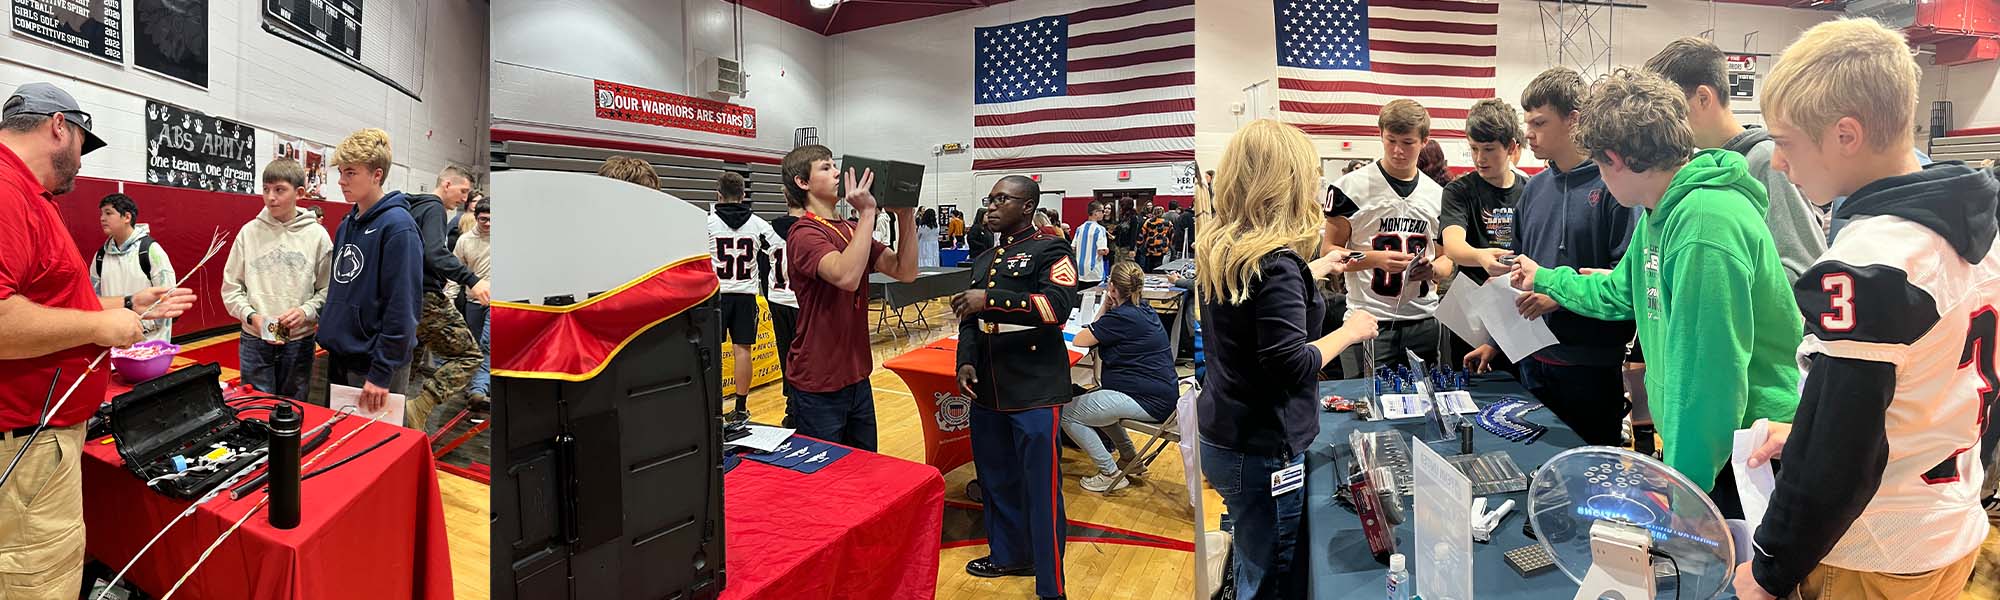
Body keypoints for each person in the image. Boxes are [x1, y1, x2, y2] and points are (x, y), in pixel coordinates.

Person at [1728, 18, 1998, 600]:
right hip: (1949, 521)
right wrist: (1807, 424)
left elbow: (1841, 453)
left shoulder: (1873, 260)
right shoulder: (1980, 231)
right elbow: (1925, 382)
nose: (1778, 162)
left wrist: (1772, 567)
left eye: (1787, 141)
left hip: (1875, 547)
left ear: (1845, 136)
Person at [1508, 69, 1801, 514]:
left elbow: (1707, 380)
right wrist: (1546, 279)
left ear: (1615, 158)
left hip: (1744, 452)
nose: (1600, 179)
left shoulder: (1704, 223)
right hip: (1707, 446)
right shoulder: (1658, 210)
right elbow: (1620, 293)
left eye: (1600, 166)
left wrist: (1683, 492)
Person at [0, 82, 192, 599]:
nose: (82, 161)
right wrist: (97, 328)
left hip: (42, 437)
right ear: (58, 126)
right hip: (26, 442)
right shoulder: (5, 190)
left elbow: (52, 302)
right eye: (84, 143)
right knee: (37, 582)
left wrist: (129, 306)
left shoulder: (28, 196)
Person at [1199, 119, 1380, 599]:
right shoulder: (1277, 264)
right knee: (1273, 574)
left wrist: (1311, 269)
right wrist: (1351, 330)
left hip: (1227, 435)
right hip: (1263, 446)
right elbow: (1289, 363)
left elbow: (1251, 311)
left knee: (1252, 555)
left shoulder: (1223, 247)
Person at [1474, 69, 1644, 447]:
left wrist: (1559, 294)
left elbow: (1626, 283)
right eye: (1526, 123)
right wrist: (1495, 342)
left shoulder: (1615, 187)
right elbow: (1517, 273)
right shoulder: (1532, 190)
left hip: (1591, 369)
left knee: (1588, 479)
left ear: (1574, 119)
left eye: (1539, 122)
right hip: (1531, 363)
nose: (1528, 133)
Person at [953, 174, 1079, 600]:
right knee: (996, 480)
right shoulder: (985, 258)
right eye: (989, 199)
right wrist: (966, 361)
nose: (990, 206)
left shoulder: (1051, 248)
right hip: (987, 386)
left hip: (1034, 389)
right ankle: (1008, 555)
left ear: (1026, 206)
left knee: (1040, 491)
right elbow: (969, 320)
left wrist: (990, 300)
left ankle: (1050, 586)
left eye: (1001, 199)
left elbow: (1056, 307)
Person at [1645, 36, 1826, 283]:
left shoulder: (1765, 161)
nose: (1663, 122)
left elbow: (1803, 268)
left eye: (1671, 110)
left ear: (1703, 98)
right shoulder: (1704, 166)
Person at [780, 144, 918, 451]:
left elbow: (904, 270)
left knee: (864, 471)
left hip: (856, 375)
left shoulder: (852, 229)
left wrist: (905, 216)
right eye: (826, 168)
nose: (837, 173)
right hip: (818, 380)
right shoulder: (804, 233)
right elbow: (845, 276)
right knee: (826, 478)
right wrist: (868, 212)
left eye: (835, 165)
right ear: (803, 182)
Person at [1324, 99, 1449, 368]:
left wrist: (1434, 270)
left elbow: (1446, 259)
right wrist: (1374, 259)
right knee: (1364, 404)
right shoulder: (1349, 187)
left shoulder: (1438, 195)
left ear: (1424, 141)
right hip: (1367, 319)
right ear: (1380, 134)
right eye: (1391, 140)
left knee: (1424, 404)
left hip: (1422, 319)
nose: (1397, 150)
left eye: (1407, 142)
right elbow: (1329, 252)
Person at [319, 128, 424, 423]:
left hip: (375, 366)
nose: (341, 180)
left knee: (376, 450)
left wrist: (381, 372)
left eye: (350, 172)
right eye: (341, 172)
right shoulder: (346, 223)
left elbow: (403, 308)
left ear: (377, 175)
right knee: (340, 445)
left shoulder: (399, 227)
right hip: (341, 356)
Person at [222, 158, 333, 401]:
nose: (270, 197)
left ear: (299, 192)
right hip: (254, 340)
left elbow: (327, 290)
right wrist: (252, 317)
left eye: (279, 190)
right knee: (255, 408)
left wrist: (306, 311)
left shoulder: (317, 236)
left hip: (299, 342)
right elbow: (231, 288)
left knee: (293, 409)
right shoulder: (249, 233)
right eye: (266, 189)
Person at [1063, 262, 1177, 492]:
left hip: (1147, 400)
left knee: (1067, 413)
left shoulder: (1121, 318)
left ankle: (1110, 472)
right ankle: (1129, 459)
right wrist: (1109, 304)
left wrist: (1105, 305)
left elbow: (1081, 339)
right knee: (1099, 403)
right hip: (1161, 396)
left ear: (1112, 288)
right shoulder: (1143, 309)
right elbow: (1095, 331)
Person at [404, 165, 487, 432]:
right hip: (425, 297)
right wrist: (472, 280)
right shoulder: (434, 208)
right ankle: (423, 404)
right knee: (471, 354)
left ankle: (401, 420)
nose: (465, 199)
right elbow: (435, 253)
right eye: (463, 191)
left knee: (409, 366)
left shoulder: (411, 207)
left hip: (405, 297)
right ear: (447, 184)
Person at [708, 172, 779, 409]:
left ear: (718, 194)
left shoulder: (706, 223)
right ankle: (740, 407)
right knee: (743, 350)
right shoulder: (759, 224)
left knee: (711, 352)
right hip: (746, 295)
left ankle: (712, 404)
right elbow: (778, 253)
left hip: (715, 295)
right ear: (743, 195)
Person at [92, 193, 176, 342]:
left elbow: (168, 300)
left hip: (149, 342)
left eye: (109, 213)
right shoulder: (100, 256)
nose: (102, 218)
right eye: (102, 213)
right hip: (112, 341)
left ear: (127, 217)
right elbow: (93, 298)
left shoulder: (151, 251)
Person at [453, 199, 492, 417]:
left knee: (487, 344)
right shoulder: (465, 241)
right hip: (473, 301)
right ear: (475, 217)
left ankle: (478, 389)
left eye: (492, 220)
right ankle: (476, 386)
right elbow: (455, 273)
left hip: (497, 303)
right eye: (483, 219)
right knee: (474, 346)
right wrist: (448, 299)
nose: (487, 224)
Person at [767, 201, 803, 425]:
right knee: (806, 356)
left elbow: (764, 266)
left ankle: (791, 406)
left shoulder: (769, 231)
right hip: (801, 301)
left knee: (785, 353)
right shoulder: (810, 229)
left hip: (777, 297)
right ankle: (804, 404)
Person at [1072, 201, 1111, 290]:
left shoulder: (1079, 228)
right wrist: (1107, 250)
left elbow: (1073, 248)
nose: (1103, 213)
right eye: (1102, 211)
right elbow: (1101, 251)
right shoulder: (1100, 229)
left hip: (1079, 270)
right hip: (1094, 271)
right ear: (1095, 212)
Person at [1140, 205, 1172, 272]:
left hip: (1151, 245)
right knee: (1160, 263)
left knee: (1150, 263)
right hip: (1162, 245)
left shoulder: (1148, 222)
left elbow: (1142, 233)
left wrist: (1139, 244)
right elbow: (1172, 234)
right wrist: (1170, 243)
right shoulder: (1167, 222)